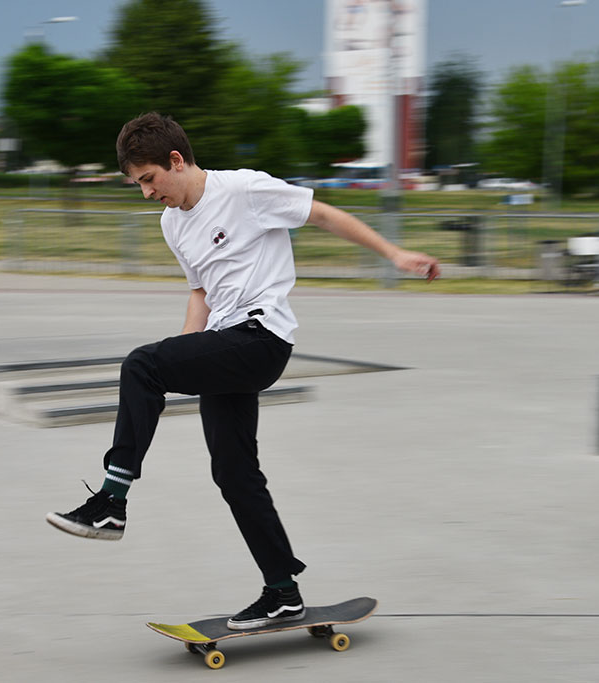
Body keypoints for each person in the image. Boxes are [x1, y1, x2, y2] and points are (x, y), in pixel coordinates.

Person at [46, 112, 439, 630]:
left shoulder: (245, 190)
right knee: (233, 472)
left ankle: (111, 501)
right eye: (137, 184)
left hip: (262, 338)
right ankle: (283, 592)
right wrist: (183, 354)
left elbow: (322, 215)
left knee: (139, 364)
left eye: (149, 179)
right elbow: (201, 292)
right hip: (223, 344)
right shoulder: (172, 223)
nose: (146, 193)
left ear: (176, 160)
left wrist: (394, 253)